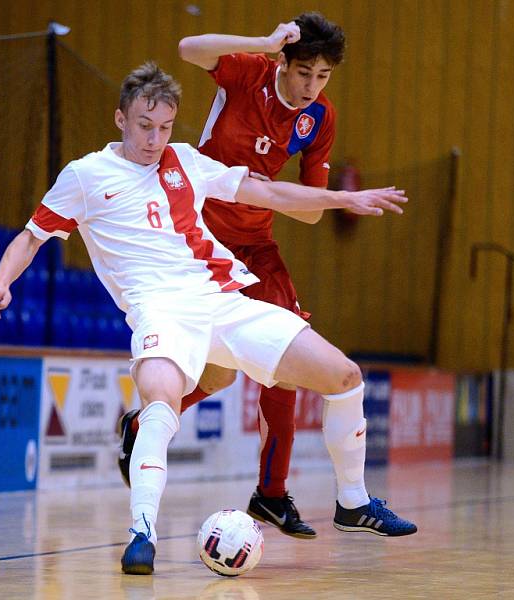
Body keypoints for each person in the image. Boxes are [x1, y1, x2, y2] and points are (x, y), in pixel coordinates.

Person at [0, 63, 416, 576]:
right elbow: (31, 235)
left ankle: (353, 502)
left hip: (221, 299)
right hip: (159, 311)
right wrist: (1, 281)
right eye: (144, 125)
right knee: (161, 402)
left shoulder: (186, 161)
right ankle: (142, 532)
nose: (154, 138)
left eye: (164, 127)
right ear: (120, 118)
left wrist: (342, 199)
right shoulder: (85, 175)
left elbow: (269, 193)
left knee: (344, 377)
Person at [116, 13, 347, 539]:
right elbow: (187, 44)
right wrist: (264, 43)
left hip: (257, 240)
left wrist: (271, 188)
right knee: (217, 370)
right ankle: (146, 420)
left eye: (323, 77)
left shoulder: (319, 119)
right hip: (201, 234)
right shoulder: (247, 72)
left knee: (287, 353)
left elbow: (310, 212)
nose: (312, 87)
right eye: (304, 72)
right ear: (283, 63)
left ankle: (270, 493)